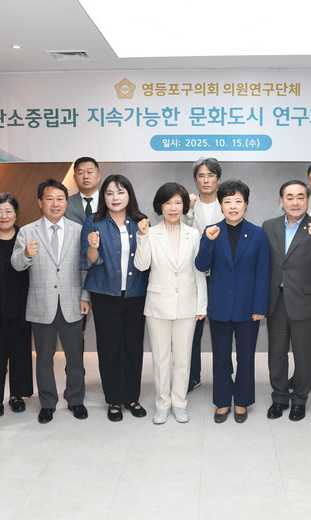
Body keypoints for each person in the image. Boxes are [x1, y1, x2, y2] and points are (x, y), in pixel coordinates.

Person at [11, 179, 89, 424]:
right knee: (44, 358)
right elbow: (16, 264)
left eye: (60, 199)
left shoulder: (78, 230)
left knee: (75, 357)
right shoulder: (27, 231)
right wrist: (26, 254)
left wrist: (85, 296)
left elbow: (85, 268)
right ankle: (47, 403)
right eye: (50, 198)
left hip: (72, 303)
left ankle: (75, 399)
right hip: (41, 304)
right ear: (40, 202)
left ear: (66, 202)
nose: (55, 203)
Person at [195, 180, 270, 423]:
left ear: (246, 204)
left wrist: (260, 307)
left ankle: (242, 401)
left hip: (248, 308)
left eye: (238, 201)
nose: (233, 206)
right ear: (221, 205)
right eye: (227, 201)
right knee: (221, 358)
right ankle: (222, 401)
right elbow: (201, 265)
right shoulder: (212, 231)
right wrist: (208, 241)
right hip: (220, 307)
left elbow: (263, 273)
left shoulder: (258, 233)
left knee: (246, 358)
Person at [134, 182, 207, 424]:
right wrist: (142, 238)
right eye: (168, 203)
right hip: (158, 305)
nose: (173, 208)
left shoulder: (193, 234)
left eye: (178, 202)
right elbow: (141, 265)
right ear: (160, 206)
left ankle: (179, 403)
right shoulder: (150, 233)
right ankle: (162, 404)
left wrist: (201, 305)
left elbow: (199, 272)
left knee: (183, 358)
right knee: (161, 358)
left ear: (184, 206)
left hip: (187, 303)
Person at [262, 180, 311, 421]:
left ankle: (300, 400)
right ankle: (279, 397)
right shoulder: (269, 226)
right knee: (276, 353)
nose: (295, 202)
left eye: (300, 197)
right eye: (289, 197)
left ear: (308, 200)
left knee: (304, 355)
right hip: (277, 301)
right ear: (281, 201)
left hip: (307, 302)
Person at [81, 174, 149, 422]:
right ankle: (114, 399)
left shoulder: (141, 221)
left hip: (135, 294)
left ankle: (132, 397)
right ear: (103, 197)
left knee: (133, 347)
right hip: (105, 294)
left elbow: (148, 258)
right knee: (109, 348)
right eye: (109, 193)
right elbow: (87, 261)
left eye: (120, 192)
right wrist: (92, 246)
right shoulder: (93, 222)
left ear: (129, 195)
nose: (115, 198)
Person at [0, 193, 32, 417]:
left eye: (8, 211)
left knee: (20, 353)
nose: (4, 216)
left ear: (16, 214)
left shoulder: (26, 237)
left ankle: (17, 395)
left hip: (22, 304)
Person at [183, 157, 224, 393]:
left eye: (210, 175)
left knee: (221, 329)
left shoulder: (226, 202)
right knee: (192, 330)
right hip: (193, 275)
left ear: (218, 178)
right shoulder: (187, 204)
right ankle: (192, 376)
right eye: (201, 175)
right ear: (195, 179)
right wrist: (188, 210)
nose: (206, 180)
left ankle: (222, 376)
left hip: (220, 275)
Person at [66, 156, 102, 224]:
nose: (85, 176)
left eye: (89, 172)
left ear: (98, 176)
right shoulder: (67, 203)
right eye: (80, 173)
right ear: (74, 178)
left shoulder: (108, 201)